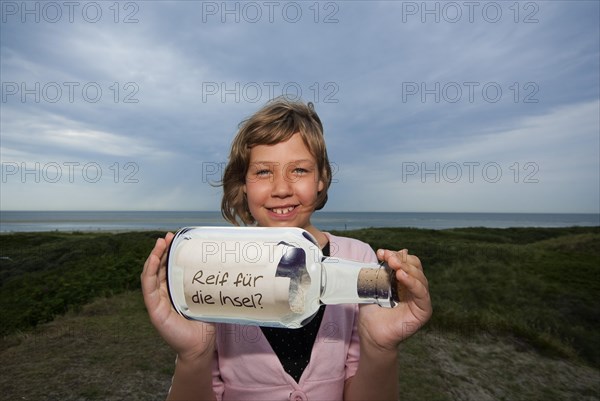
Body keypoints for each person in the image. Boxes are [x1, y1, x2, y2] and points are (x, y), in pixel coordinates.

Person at [141, 97, 432, 400]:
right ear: (243, 183)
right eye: (264, 172)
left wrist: (380, 349)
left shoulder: (357, 259)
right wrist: (193, 356)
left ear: (322, 178)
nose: (281, 189)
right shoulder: (215, 267)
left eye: (299, 171)